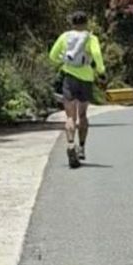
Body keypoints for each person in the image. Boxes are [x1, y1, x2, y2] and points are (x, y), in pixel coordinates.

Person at [48, 11, 105, 168]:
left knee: (70, 117)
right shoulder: (91, 38)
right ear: (86, 23)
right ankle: (81, 147)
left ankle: (70, 144)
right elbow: (97, 54)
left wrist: (64, 61)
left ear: (72, 23)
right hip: (86, 79)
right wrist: (101, 71)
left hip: (69, 79)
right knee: (83, 115)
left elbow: (52, 55)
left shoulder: (65, 37)